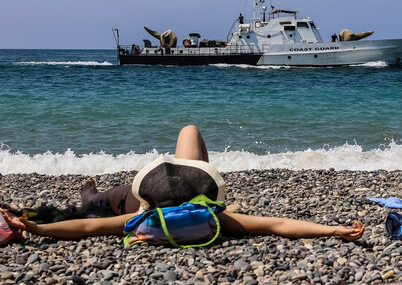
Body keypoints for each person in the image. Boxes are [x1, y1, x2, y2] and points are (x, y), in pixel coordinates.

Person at [1, 125, 365, 242]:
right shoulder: (215, 220)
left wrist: (38, 228)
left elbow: (88, 225)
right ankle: (88, 191)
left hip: (123, 199)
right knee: (189, 130)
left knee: (97, 201)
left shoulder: (140, 215)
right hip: (146, 195)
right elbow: (278, 224)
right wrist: (333, 230)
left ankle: (88, 191)